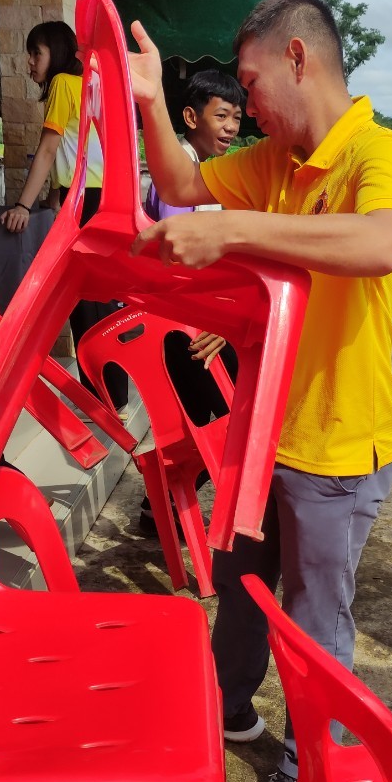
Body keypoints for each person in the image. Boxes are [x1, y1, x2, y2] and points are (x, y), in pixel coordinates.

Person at [129, 0, 392, 782]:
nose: (245, 104)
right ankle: (225, 709)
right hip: (261, 434)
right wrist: (149, 101)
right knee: (241, 589)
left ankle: (309, 773)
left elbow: (380, 241)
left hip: (336, 446)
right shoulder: (273, 164)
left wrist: (235, 234)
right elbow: (179, 180)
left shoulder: (377, 152)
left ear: (298, 59)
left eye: (251, 84)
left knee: (314, 621)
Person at [0, 20, 127, 410]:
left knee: (83, 297)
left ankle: (99, 397)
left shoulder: (60, 84)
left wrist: (23, 206)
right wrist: (54, 198)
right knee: (101, 296)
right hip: (105, 198)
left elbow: (50, 149)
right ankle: (114, 394)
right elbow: (81, 148)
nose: (30, 62)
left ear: (55, 52)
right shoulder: (89, 84)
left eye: (35, 53)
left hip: (85, 200)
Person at [140, 70, 242, 533]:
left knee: (200, 419)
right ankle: (164, 502)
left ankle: (159, 505)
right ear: (190, 117)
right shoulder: (179, 174)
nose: (231, 127)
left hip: (193, 320)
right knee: (229, 416)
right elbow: (179, 260)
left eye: (236, 117)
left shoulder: (202, 171)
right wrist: (218, 319)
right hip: (183, 324)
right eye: (221, 115)